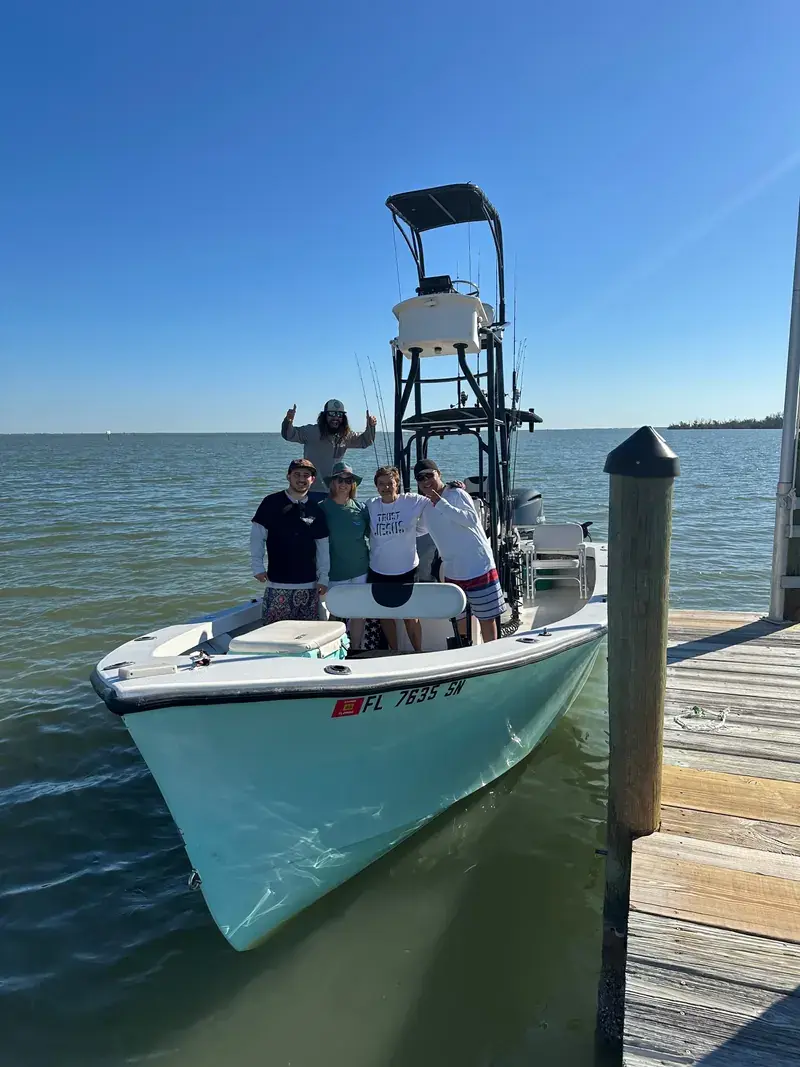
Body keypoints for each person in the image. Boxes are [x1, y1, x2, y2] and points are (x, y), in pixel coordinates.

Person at [414, 458, 503, 643]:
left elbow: (471, 519)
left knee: (487, 619)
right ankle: (466, 652)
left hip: (479, 566)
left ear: (439, 474)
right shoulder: (425, 506)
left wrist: (441, 503)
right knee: (460, 620)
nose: (425, 481)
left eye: (429, 475)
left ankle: (491, 653)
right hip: (454, 571)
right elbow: (418, 530)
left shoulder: (457, 494)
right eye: (420, 478)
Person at [250, 458, 330, 623]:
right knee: (274, 634)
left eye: (306, 475)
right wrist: (257, 566)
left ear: (312, 480)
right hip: (277, 584)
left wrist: (324, 578)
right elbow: (257, 536)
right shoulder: (271, 502)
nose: (301, 479)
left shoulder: (316, 509)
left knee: (306, 635)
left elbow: (322, 546)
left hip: (309, 584)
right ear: (288, 476)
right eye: (297, 474)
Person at [366, 465, 429, 653]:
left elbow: (435, 497)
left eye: (390, 483)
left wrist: (453, 488)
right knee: (385, 615)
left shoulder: (412, 501)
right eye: (381, 484)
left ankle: (418, 652)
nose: (386, 487)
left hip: (407, 569)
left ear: (397, 483)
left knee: (410, 615)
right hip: (379, 570)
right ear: (376, 486)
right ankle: (394, 651)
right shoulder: (371, 504)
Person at [319, 462, 370, 650]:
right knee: (335, 613)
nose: (343, 484)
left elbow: (376, 536)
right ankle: (332, 650)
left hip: (360, 570)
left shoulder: (361, 508)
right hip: (334, 572)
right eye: (339, 479)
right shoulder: (322, 508)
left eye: (348, 480)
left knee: (359, 613)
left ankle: (355, 649)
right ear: (332, 482)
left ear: (352, 484)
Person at [281, 399, 378, 488]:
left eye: (339, 414)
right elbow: (289, 435)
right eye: (332, 414)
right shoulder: (311, 432)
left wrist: (371, 426)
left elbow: (365, 441)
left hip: (334, 490)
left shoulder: (346, 436)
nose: (336, 417)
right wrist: (288, 420)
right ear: (324, 416)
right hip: (311, 490)